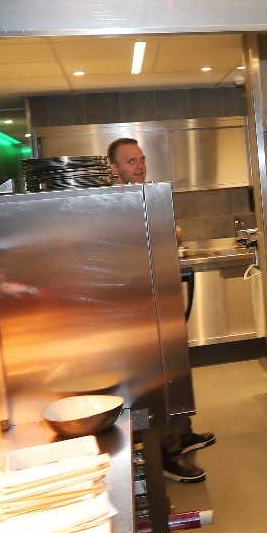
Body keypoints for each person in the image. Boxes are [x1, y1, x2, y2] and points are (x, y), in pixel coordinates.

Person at [107, 137, 215, 483]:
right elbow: (157, 238)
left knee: (175, 372)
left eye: (141, 159)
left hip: (159, 301)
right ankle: (166, 455)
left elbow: (174, 234)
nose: (139, 166)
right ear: (113, 168)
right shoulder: (112, 204)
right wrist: (167, 234)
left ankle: (182, 434)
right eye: (130, 161)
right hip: (135, 309)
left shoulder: (148, 195)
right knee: (154, 383)